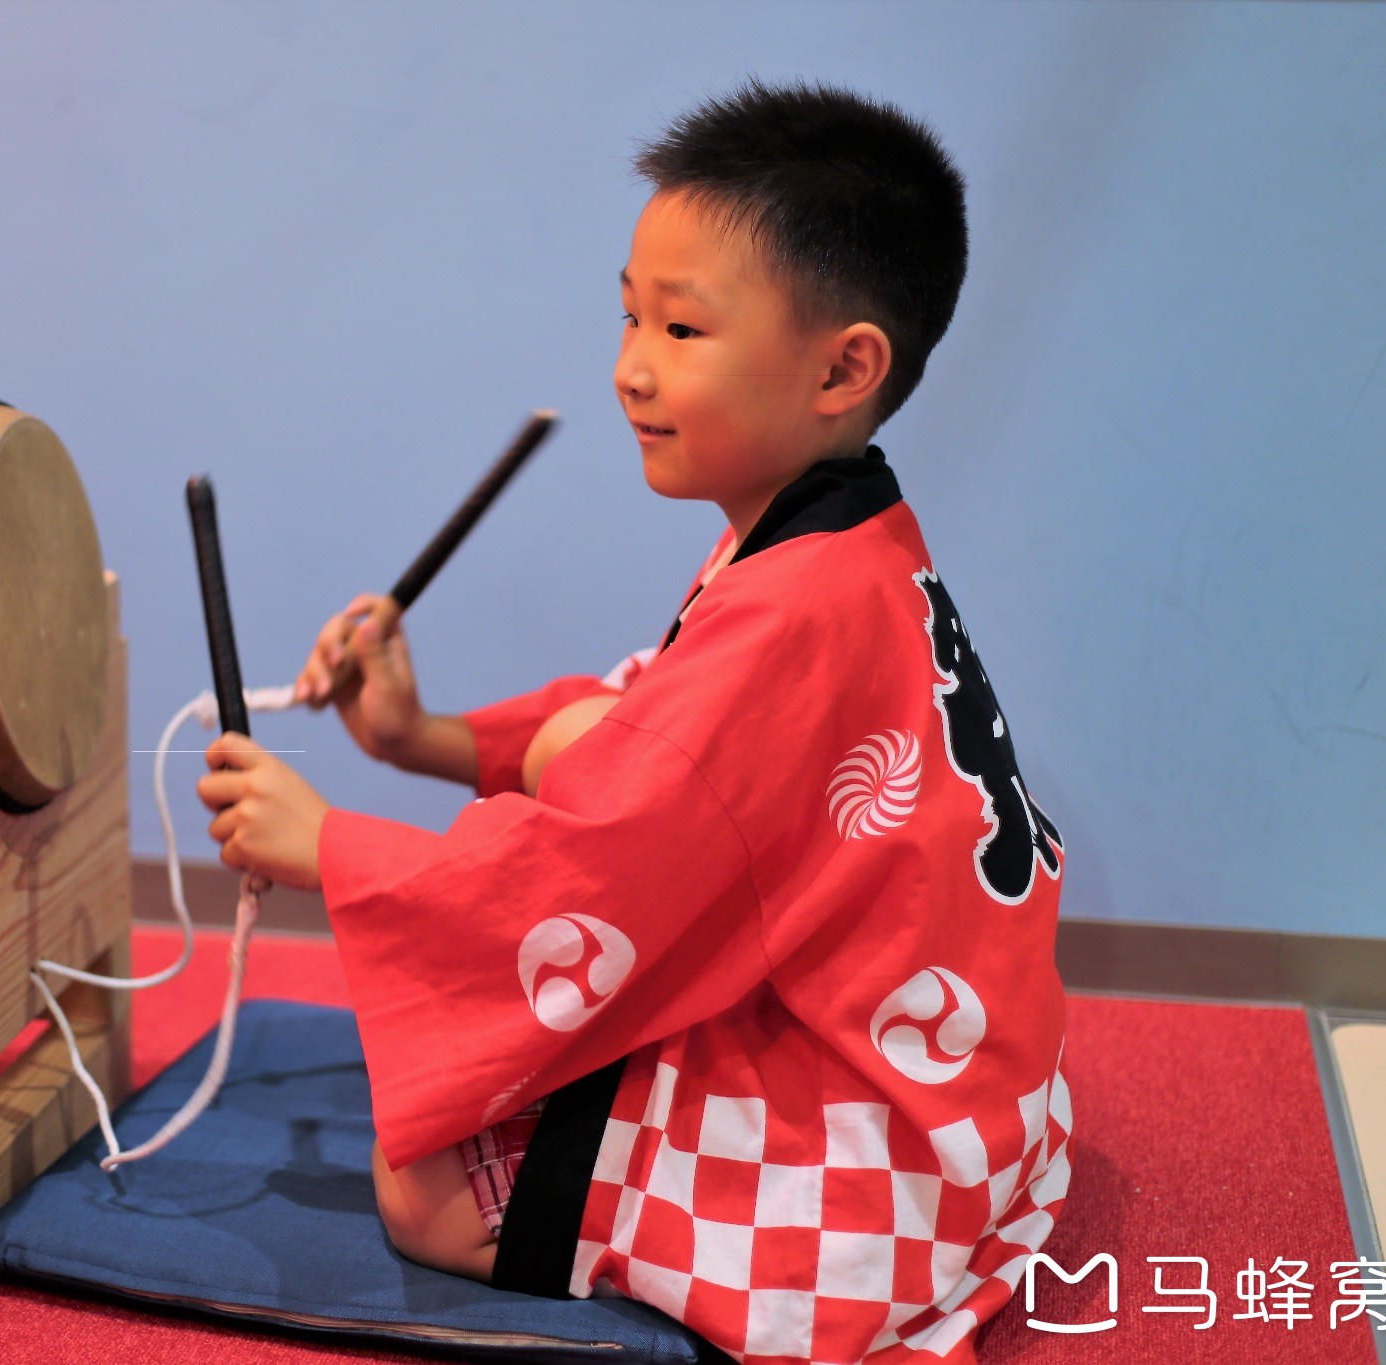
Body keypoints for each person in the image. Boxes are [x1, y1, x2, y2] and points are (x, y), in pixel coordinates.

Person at [196, 81, 1070, 1364]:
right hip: (968, 1087)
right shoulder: (841, 538)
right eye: (626, 314)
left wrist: (324, 846)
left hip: (876, 1159)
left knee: (424, 1187)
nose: (630, 368)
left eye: (681, 327)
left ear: (844, 366)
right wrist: (421, 734)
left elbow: (592, 857)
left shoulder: (791, 607)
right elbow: (637, 739)